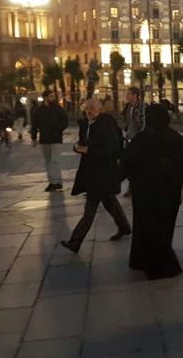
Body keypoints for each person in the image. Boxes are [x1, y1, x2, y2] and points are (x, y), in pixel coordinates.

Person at [120, 104, 183, 279]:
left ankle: (143, 260)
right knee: (164, 227)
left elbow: (127, 163)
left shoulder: (140, 140)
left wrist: (113, 181)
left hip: (144, 192)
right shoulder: (175, 138)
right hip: (169, 192)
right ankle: (162, 262)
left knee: (145, 226)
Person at [60, 97, 129, 253]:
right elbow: (83, 143)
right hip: (91, 171)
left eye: (92, 108)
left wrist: (89, 150)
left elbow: (113, 149)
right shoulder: (87, 124)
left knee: (89, 211)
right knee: (109, 202)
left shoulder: (106, 124)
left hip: (103, 172)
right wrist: (77, 147)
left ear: (100, 109)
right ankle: (124, 227)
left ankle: (75, 242)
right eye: (87, 108)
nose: (88, 111)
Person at [31, 90, 69, 191]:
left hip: (56, 139)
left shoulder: (58, 109)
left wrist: (58, 129)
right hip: (44, 139)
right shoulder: (39, 110)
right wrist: (34, 138)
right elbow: (34, 124)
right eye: (51, 96)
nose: (53, 98)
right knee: (48, 161)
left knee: (54, 161)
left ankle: (57, 182)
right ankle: (52, 182)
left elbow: (65, 121)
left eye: (53, 96)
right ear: (45, 97)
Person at [122, 86, 145, 197]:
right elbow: (128, 122)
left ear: (135, 95)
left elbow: (141, 123)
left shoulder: (140, 107)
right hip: (130, 138)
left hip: (137, 139)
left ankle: (136, 187)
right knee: (130, 163)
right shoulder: (129, 107)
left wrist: (140, 137)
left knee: (137, 164)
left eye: (128, 94)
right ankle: (132, 186)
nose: (126, 96)